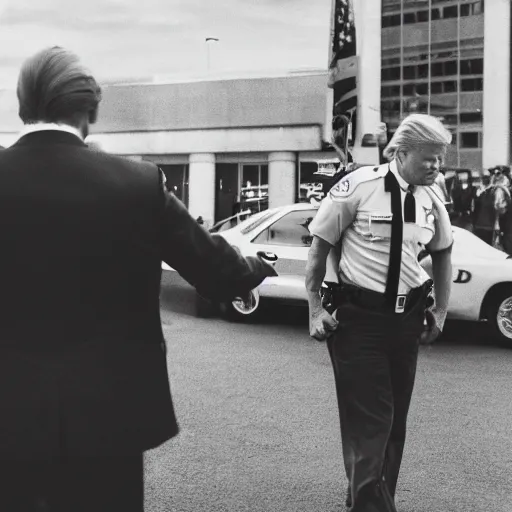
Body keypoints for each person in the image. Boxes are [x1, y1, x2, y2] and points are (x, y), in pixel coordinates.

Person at [0, 47, 276, 512]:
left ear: (22, 106)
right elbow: (215, 271)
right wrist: (257, 266)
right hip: (109, 413)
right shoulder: (137, 183)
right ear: (92, 109)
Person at [306, 113, 453, 511]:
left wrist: (440, 311)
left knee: (394, 427)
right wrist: (315, 307)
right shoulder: (358, 186)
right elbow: (319, 247)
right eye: (430, 159)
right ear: (402, 152)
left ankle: (365, 495)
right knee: (371, 422)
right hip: (359, 321)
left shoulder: (433, 198)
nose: (437, 167)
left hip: (406, 323)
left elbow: (442, 253)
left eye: (440, 159)